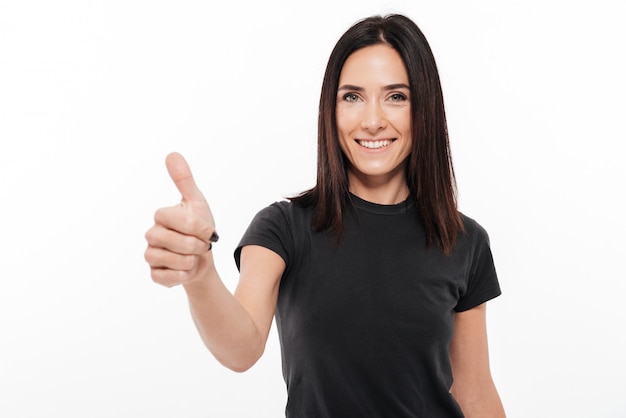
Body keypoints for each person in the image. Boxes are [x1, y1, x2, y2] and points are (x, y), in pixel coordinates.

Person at [144, 13, 506, 418]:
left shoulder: (464, 241)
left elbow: (475, 394)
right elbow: (240, 348)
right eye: (352, 96)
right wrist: (200, 274)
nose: (372, 121)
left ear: (425, 108)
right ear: (330, 111)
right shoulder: (284, 228)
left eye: (396, 96)